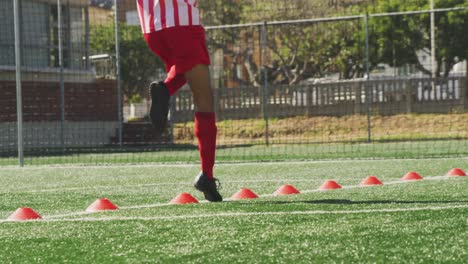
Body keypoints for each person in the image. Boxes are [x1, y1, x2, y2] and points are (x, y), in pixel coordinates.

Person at [136, 0, 222, 202]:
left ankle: (165, 90)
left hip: (151, 29)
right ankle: (206, 176)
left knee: (186, 66)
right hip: (182, 24)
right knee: (204, 99)